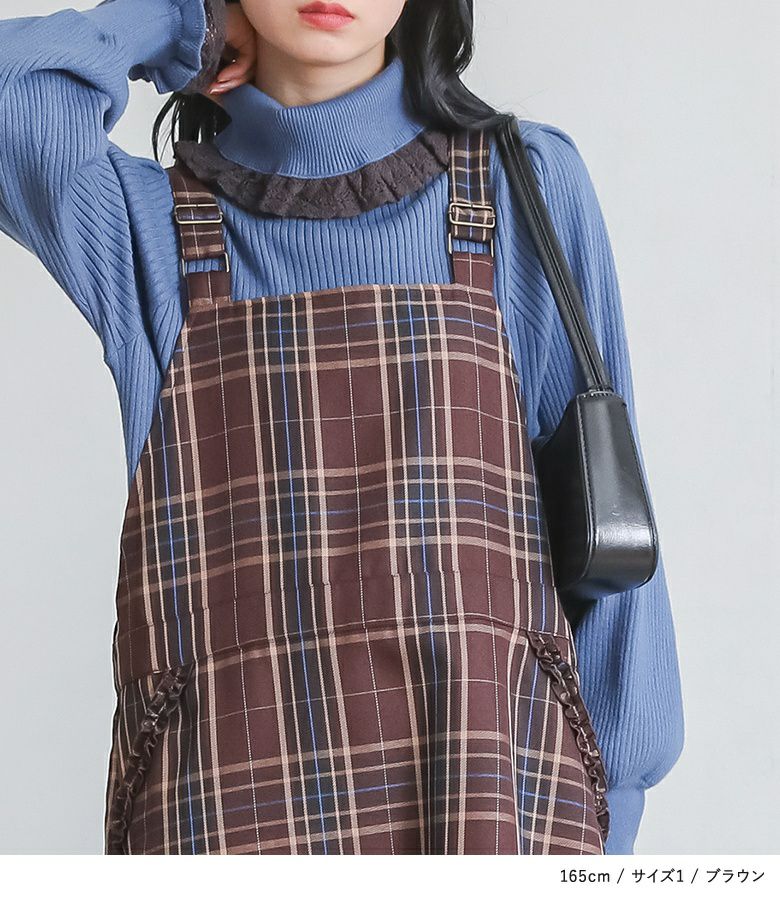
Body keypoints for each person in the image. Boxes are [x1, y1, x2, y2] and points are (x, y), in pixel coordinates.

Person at [0, 0, 684, 855]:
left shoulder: (523, 185)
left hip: (491, 800)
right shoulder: (148, 230)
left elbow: (615, 563)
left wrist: (612, 831)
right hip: (224, 807)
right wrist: (181, 19)